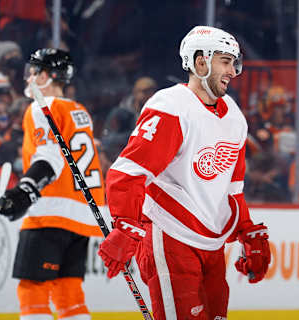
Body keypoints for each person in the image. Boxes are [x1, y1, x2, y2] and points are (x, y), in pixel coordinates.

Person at [98, 26, 271, 319]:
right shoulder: (172, 107)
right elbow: (129, 171)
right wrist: (125, 224)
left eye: (234, 63)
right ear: (200, 62)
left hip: (212, 244)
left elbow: (232, 187)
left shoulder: (234, 115)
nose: (233, 71)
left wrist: (245, 229)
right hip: (171, 236)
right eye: (225, 61)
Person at [0, 48, 105, 320]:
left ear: (49, 76)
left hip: (50, 213)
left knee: (32, 291)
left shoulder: (43, 107)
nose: (29, 78)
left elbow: (51, 156)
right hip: (81, 215)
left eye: (35, 72)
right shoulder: (79, 110)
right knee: (69, 295)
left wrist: (26, 190)